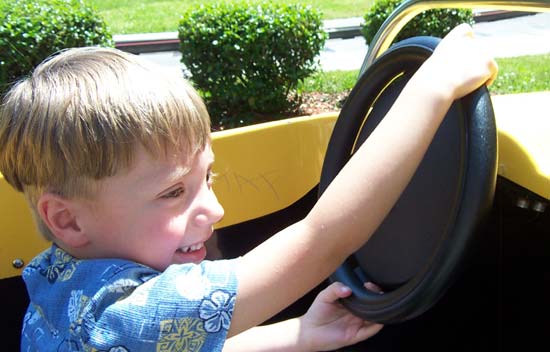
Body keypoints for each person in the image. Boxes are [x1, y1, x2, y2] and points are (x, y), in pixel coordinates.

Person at [0, 23, 496, 351]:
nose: (214, 209)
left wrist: (297, 334)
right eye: (174, 192)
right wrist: (433, 88)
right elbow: (323, 240)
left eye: (207, 178)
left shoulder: (60, 278)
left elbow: (171, 342)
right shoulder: (126, 312)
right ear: (66, 219)